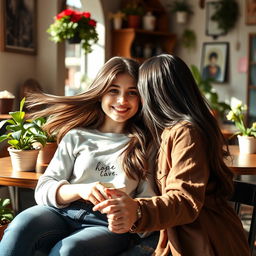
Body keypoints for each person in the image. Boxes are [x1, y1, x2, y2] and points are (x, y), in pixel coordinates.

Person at [94, 54, 251, 256]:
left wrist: (138, 210)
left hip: (205, 241)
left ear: (153, 94)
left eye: (138, 92)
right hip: (182, 236)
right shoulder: (171, 130)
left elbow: (184, 200)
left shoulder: (186, 132)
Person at [0, 56, 157, 256]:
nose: (122, 100)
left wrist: (130, 215)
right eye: (113, 90)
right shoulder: (77, 136)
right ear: (100, 93)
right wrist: (81, 190)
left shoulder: (146, 144)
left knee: (68, 251)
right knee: (21, 224)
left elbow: (148, 203)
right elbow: (44, 188)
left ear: (141, 98)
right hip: (60, 212)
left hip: (106, 225)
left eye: (132, 93)